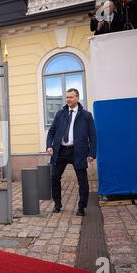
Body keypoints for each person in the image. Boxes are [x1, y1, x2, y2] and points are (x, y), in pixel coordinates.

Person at [46, 88, 97, 216]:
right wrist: (49, 146)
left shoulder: (86, 115)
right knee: (54, 177)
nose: (68, 99)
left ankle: (81, 207)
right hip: (61, 151)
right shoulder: (60, 113)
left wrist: (92, 153)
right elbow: (51, 131)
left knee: (83, 181)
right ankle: (57, 204)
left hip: (78, 152)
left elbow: (93, 136)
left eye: (71, 97)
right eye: (67, 97)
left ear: (77, 98)